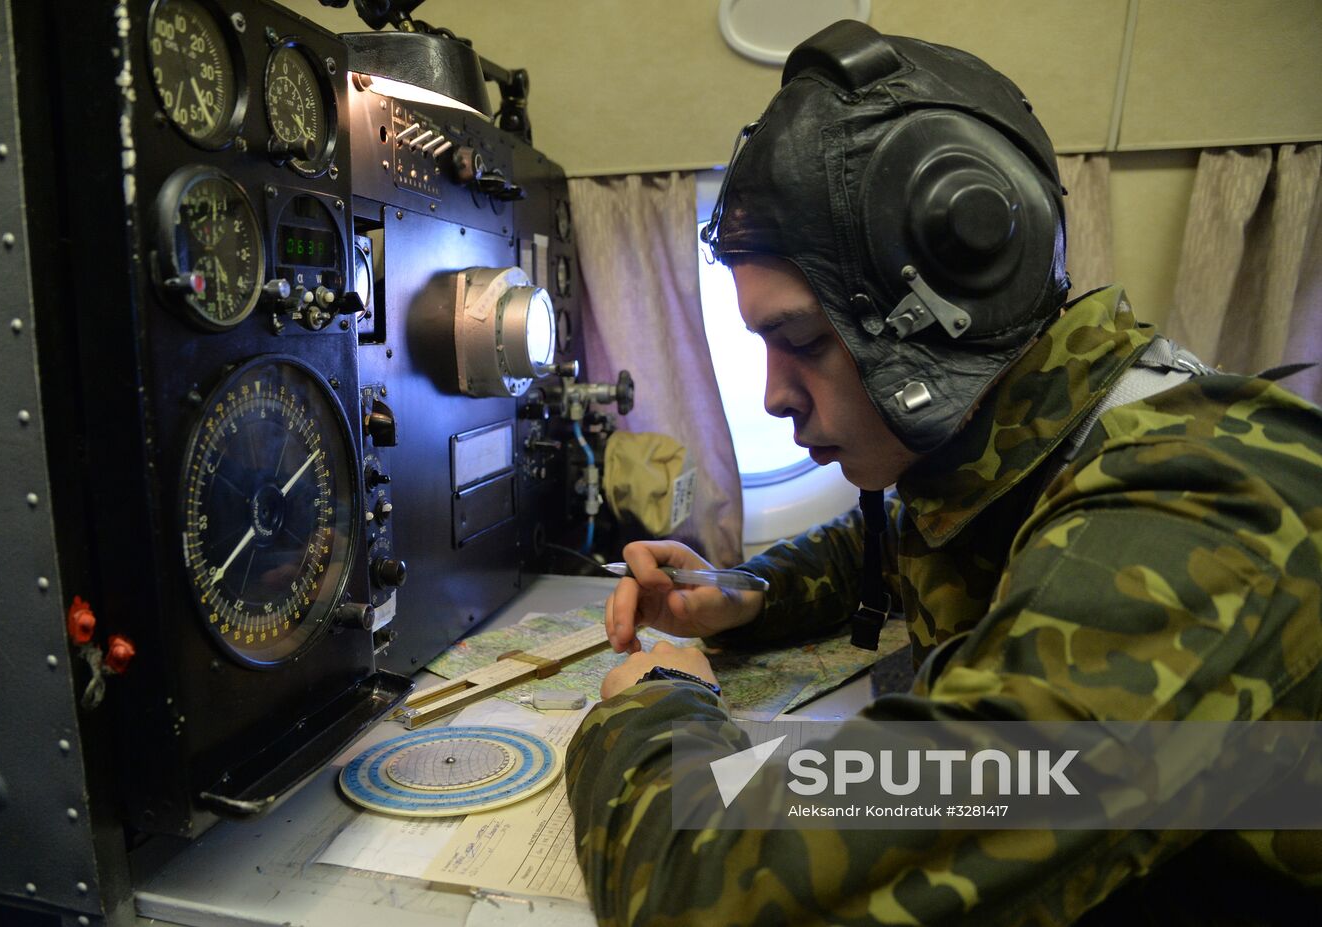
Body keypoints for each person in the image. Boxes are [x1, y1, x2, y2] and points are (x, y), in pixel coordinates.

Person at [564, 20, 1322, 927]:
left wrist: (659, 705)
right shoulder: (1022, 436)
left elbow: (714, 893)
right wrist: (749, 592)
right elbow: (911, 536)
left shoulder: (1190, 510)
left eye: (801, 341)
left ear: (935, 314)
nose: (774, 396)